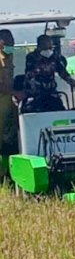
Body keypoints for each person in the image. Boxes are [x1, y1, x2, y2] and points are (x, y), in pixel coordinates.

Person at [21, 34, 75, 113]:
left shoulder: (55, 56)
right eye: (45, 47)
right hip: (35, 95)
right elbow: (30, 74)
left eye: (50, 47)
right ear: (39, 46)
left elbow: (62, 71)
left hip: (51, 93)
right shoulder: (31, 57)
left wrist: (70, 80)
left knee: (60, 110)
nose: (48, 49)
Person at [0, 29, 18, 175]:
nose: (11, 45)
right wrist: (15, 93)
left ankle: (8, 172)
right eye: (8, 43)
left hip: (8, 102)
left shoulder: (8, 57)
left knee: (10, 136)